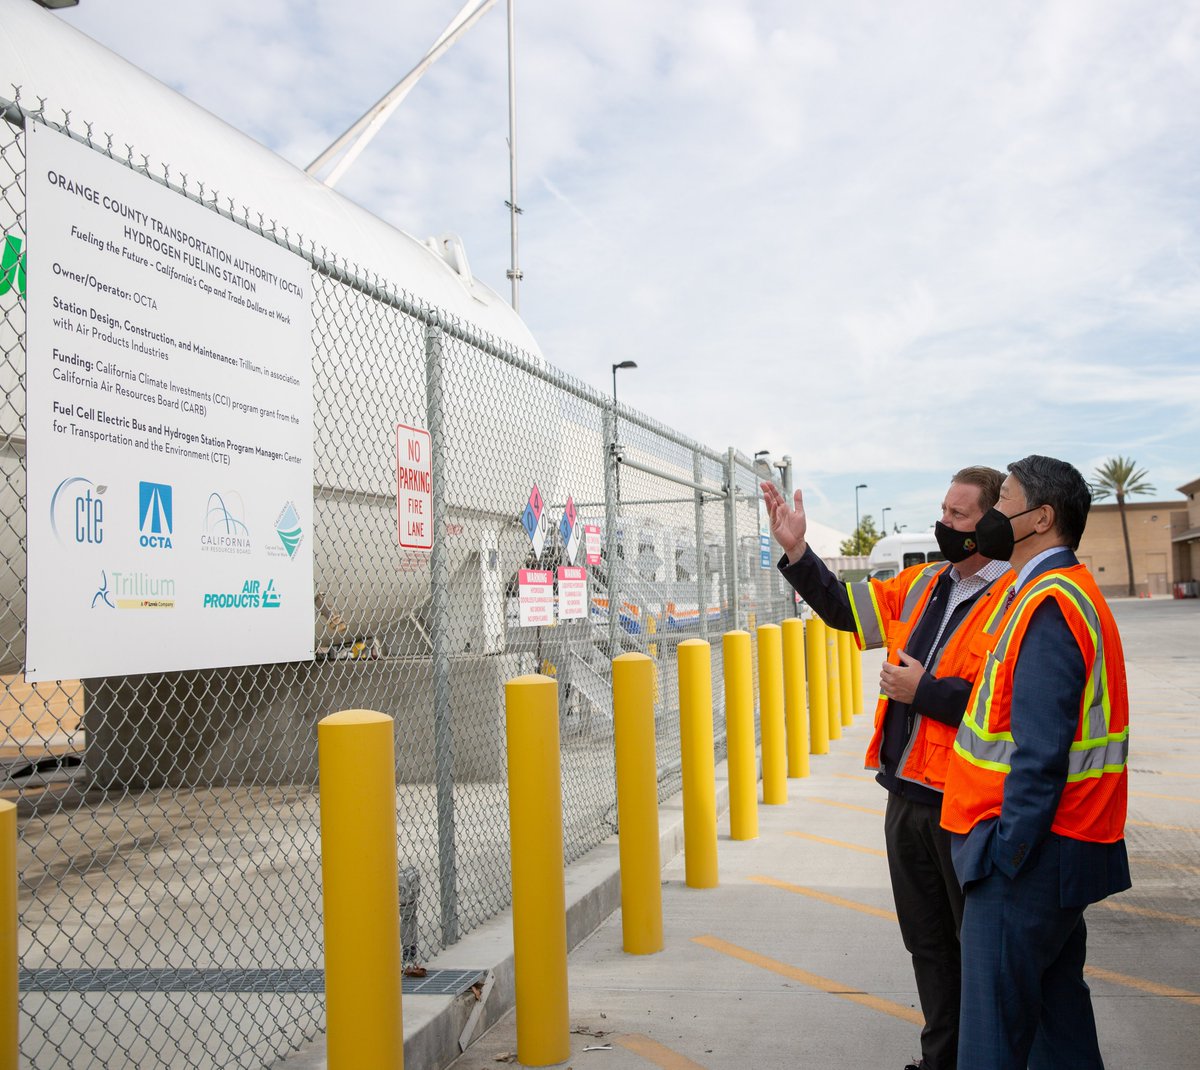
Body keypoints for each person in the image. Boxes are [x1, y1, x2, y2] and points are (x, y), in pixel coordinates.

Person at [762, 467, 1012, 1070]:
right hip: (906, 796)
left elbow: (1008, 704)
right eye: (944, 511)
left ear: (991, 524)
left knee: (974, 949)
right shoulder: (926, 582)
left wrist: (924, 693)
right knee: (926, 943)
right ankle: (940, 1059)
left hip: (966, 805)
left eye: (959, 516)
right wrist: (797, 550)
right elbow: (847, 610)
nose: (944, 524)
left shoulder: (1014, 601)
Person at [941, 455, 1130, 1070]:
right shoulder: (1057, 590)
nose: (991, 516)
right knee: (1058, 1024)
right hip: (1058, 848)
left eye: (1004, 504)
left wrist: (1007, 855)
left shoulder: (1049, 602)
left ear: (1041, 518)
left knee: (990, 1040)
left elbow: (1041, 753)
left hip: (1027, 857)